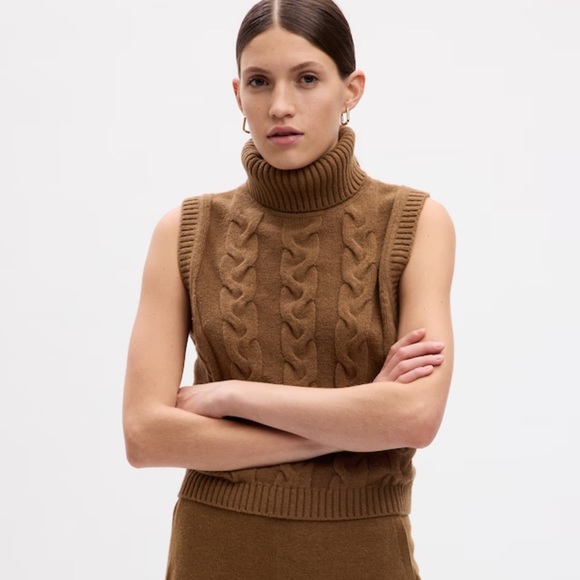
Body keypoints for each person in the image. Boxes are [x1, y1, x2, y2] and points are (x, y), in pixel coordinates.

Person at [122, 0, 455, 578]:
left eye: (306, 79)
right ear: (238, 95)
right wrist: (352, 423)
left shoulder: (415, 223)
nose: (280, 105)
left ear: (351, 89)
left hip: (364, 555)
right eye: (259, 81)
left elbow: (414, 417)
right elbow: (145, 436)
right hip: (214, 553)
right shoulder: (186, 231)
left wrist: (231, 397)